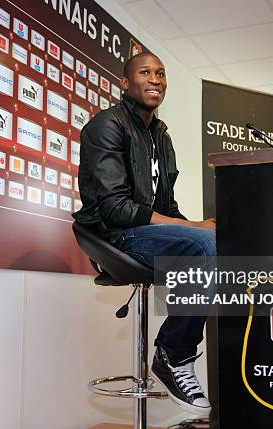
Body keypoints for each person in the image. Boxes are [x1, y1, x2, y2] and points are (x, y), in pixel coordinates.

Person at [73, 51, 216, 416]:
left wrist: (198, 225)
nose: (156, 79)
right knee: (204, 243)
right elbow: (114, 209)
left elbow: (166, 210)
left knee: (217, 240)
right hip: (114, 236)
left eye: (162, 73)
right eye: (145, 72)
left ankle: (187, 354)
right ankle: (174, 354)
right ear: (125, 82)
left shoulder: (161, 137)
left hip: (144, 233)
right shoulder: (106, 126)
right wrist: (195, 229)